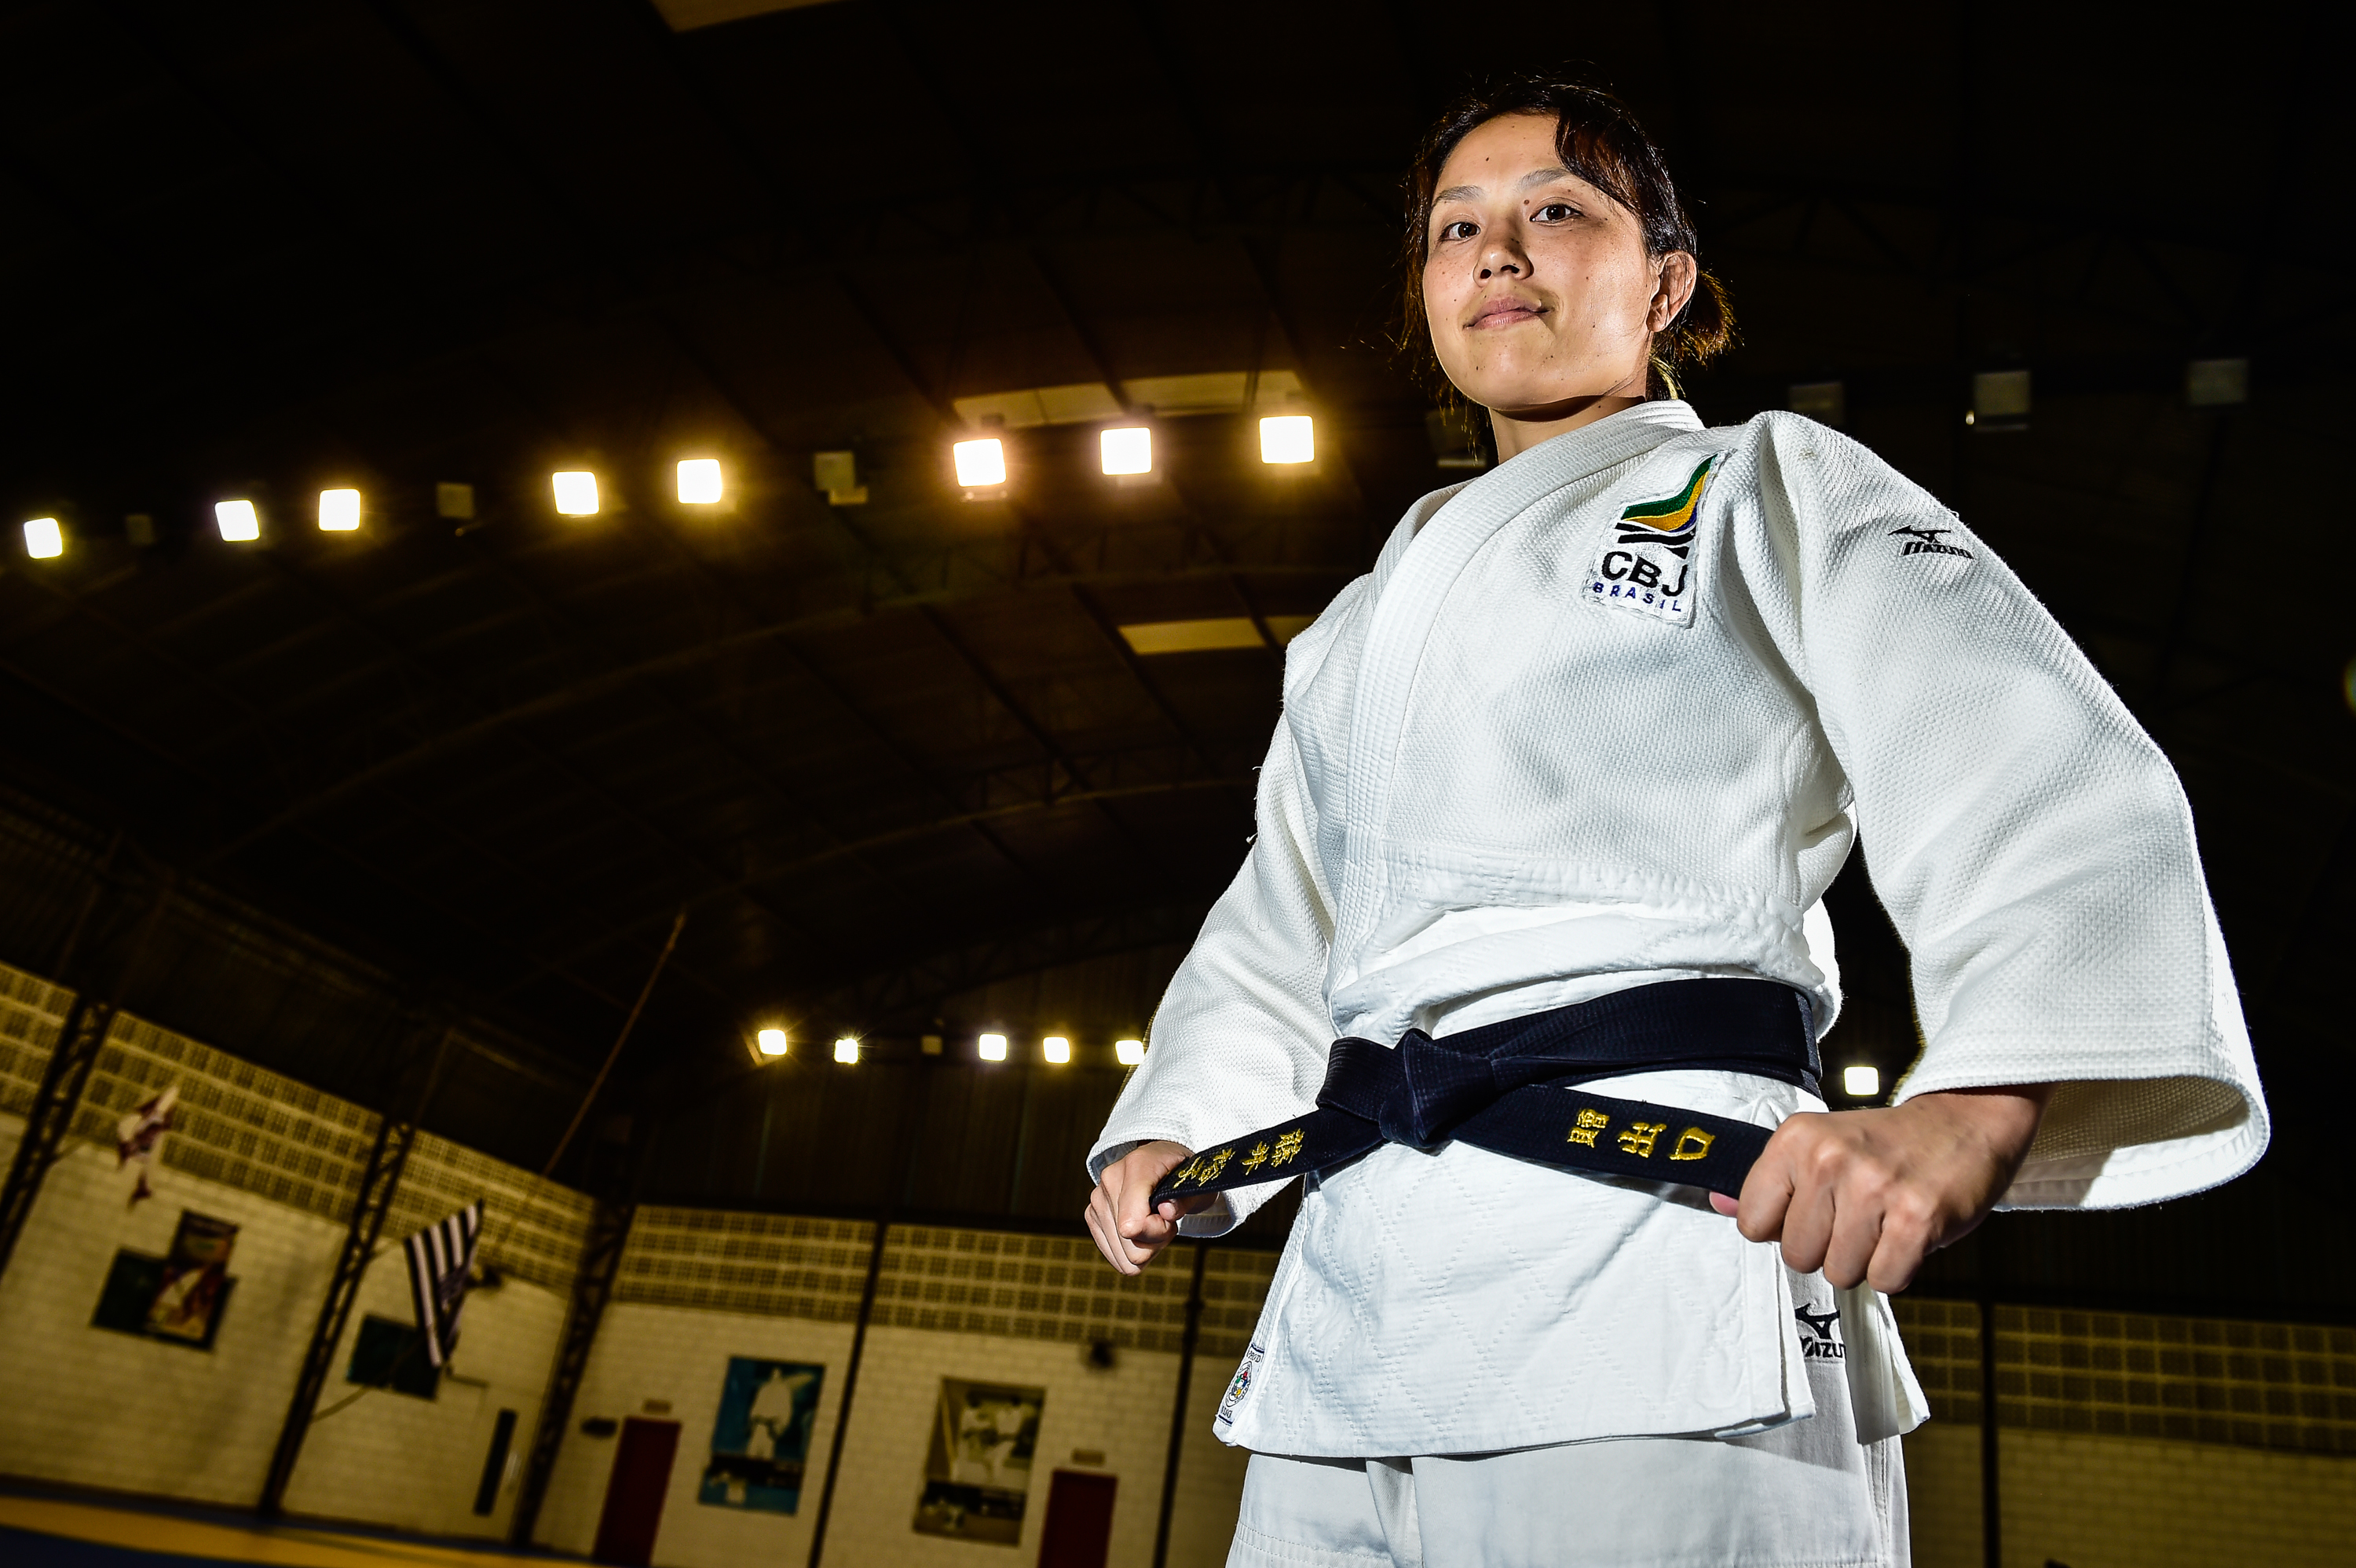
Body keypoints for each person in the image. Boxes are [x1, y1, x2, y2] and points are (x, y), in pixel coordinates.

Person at [1081, 76, 2268, 1568]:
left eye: (1558, 212)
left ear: (1666, 281)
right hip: (1359, 1283)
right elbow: (1290, 914)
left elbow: (2023, 749)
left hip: (1660, 1236)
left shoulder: (1761, 480)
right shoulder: (1358, 626)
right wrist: (1182, 1122)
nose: (1498, 252)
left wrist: (1980, 1097)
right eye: (1460, 226)